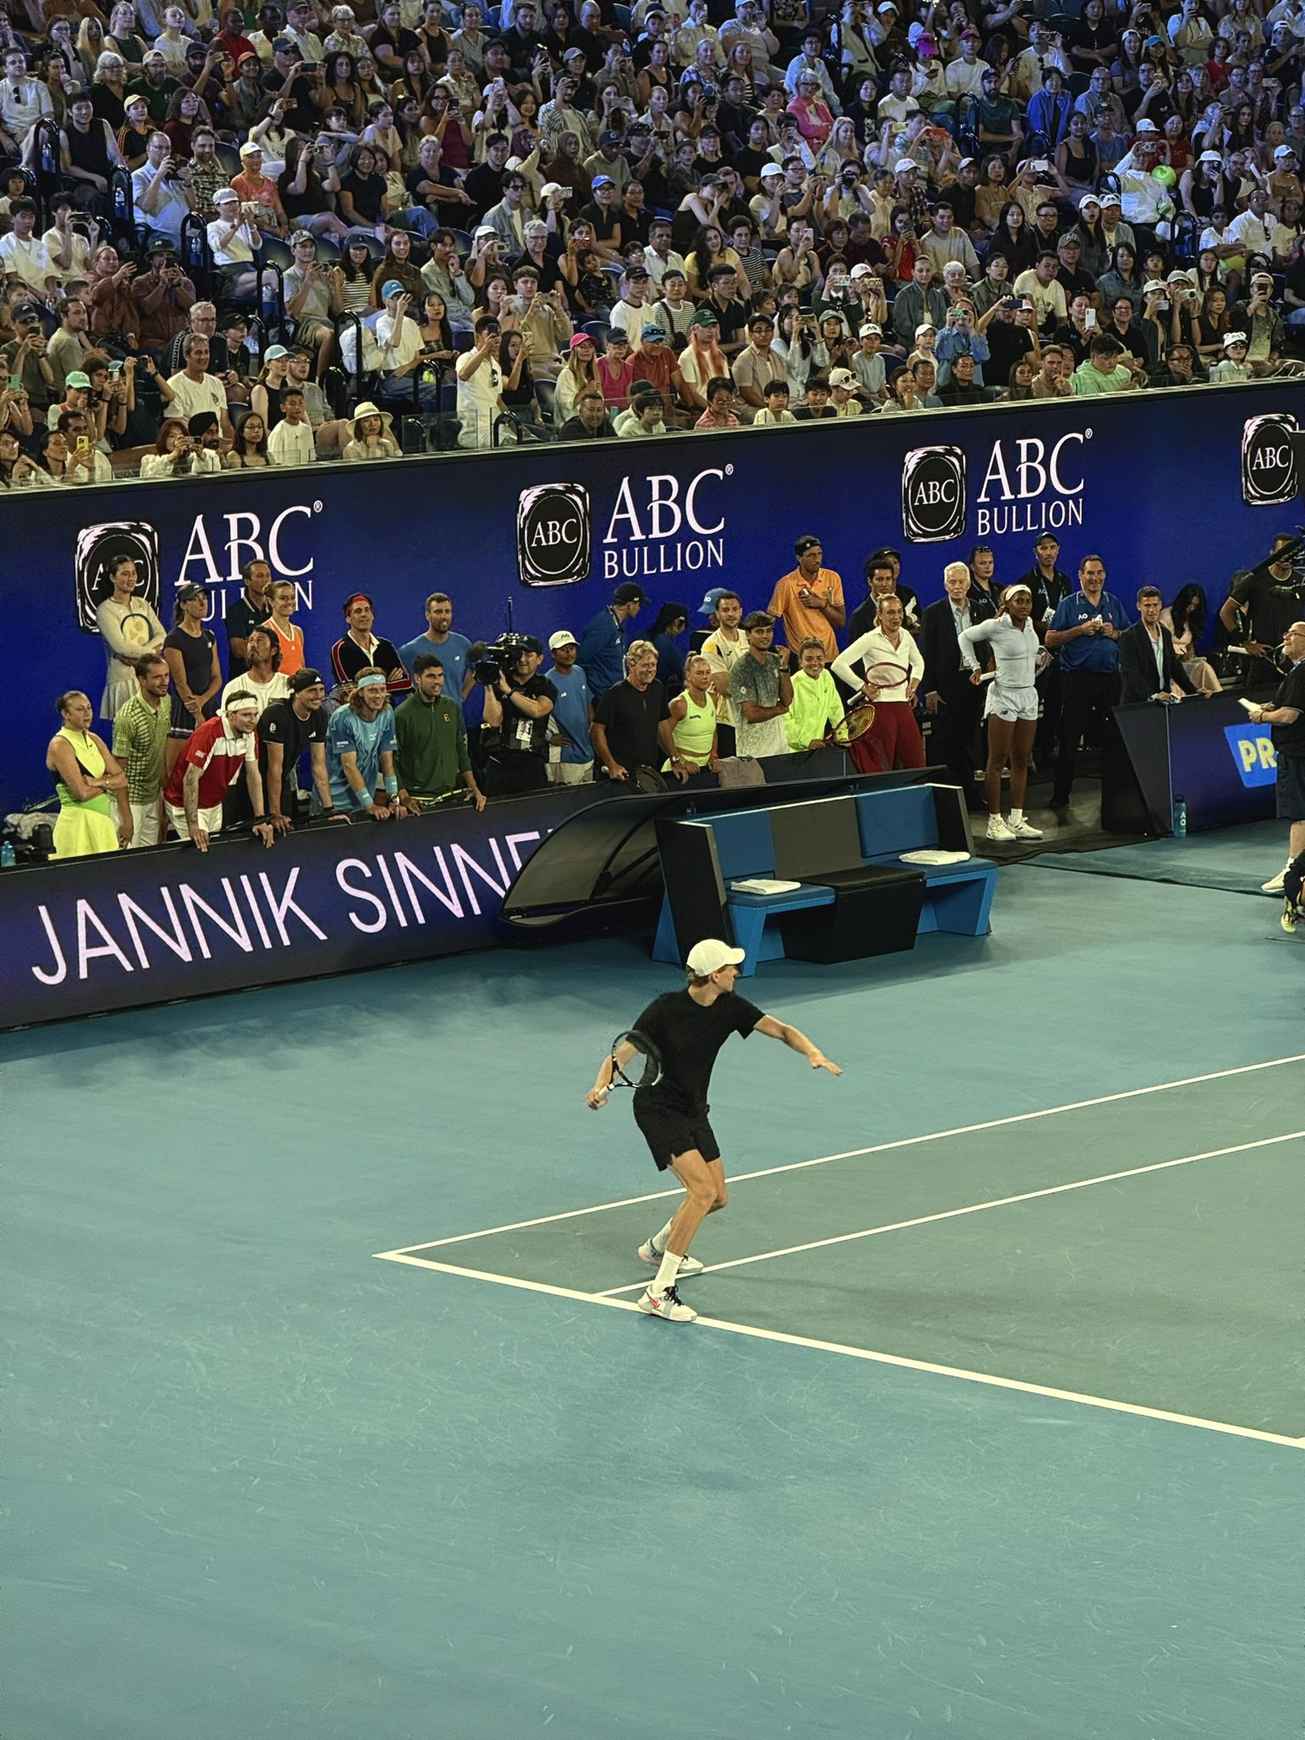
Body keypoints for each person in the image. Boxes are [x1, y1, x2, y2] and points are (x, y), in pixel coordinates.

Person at [584, 936, 842, 1324]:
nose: (737, 972)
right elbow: (621, 1055)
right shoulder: (664, 1009)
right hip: (658, 1110)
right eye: (729, 968)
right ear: (711, 975)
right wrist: (600, 1086)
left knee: (718, 1197)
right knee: (701, 1191)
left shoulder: (730, 1007)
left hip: (693, 1110)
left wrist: (812, 1052)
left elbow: (782, 1029)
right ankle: (659, 1292)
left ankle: (658, 1248)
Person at [958, 584, 1049, 842]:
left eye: (1028, 600)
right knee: (997, 761)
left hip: (1028, 695)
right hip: (1003, 696)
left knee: (1021, 759)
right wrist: (974, 666)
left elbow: (1029, 654)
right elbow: (964, 637)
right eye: (1018, 600)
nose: (1024, 605)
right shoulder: (995, 625)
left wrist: (1040, 657)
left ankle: (1016, 819)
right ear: (1007, 604)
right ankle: (994, 821)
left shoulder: (1031, 624)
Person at [1045, 554, 1129, 822]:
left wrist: (1113, 633)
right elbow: (1050, 639)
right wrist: (1079, 630)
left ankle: (1116, 793)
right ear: (1080, 575)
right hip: (1077, 679)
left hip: (1109, 678)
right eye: (1090, 574)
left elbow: (1126, 634)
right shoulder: (1069, 604)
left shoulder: (1112, 602)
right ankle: (1060, 796)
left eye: (1099, 573)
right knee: (1069, 739)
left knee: (1114, 737)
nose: (1095, 578)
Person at [161, 691, 277, 852]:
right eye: (246, 715)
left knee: (213, 853)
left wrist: (260, 819)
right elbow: (190, 779)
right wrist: (193, 826)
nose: (253, 720)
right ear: (230, 715)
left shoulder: (250, 734)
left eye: (255, 714)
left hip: (214, 804)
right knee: (199, 853)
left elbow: (253, 775)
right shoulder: (209, 732)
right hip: (183, 804)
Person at [832, 594, 926, 774]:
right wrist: (862, 686)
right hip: (880, 708)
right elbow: (838, 664)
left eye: (899, 612)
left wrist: (913, 684)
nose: (896, 617)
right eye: (890, 612)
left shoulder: (906, 635)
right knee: (883, 764)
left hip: (903, 707)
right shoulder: (870, 638)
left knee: (916, 762)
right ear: (880, 615)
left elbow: (918, 662)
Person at [1246, 620, 1305, 894]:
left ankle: (1293, 873)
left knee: (1299, 815)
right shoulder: (1297, 674)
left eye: (1292, 634)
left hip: (1296, 753)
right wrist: (1274, 706)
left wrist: (1262, 716)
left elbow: (1289, 716)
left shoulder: (1301, 673)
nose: (1286, 638)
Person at [921, 561, 989, 795]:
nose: (957, 586)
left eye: (961, 582)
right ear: (944, 584)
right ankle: (948, 797)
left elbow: (987, 647)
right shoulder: (933, 613)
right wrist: (929, 689)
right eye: (952, 582)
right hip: (945, 688)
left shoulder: (981, 610)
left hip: (973, 684)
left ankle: (970, 794)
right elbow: (926, 654)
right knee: (946, 743)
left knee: (971, 741)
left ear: (969, 583)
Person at [394, 654, 485, 811]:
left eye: (440, 676)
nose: (437, 681)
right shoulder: (402, 714)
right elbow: (391, 761)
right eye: (431, 676)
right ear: (417, 678)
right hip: (418, 800)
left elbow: (461, 751)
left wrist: (474, 788)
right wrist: (404, 797)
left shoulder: (451, 707)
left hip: (451, 796)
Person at [47, 689, 132, 858]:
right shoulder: (60, 745)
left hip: (103, 823)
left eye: (89, 708)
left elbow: (122, 779)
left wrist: (97, 782)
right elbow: (82, 793)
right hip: (77, 827)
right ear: (66, 714)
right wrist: (108, 783)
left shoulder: (95, 739)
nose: (87, 714)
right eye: (80, 709)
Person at [478, 635, 556, 796]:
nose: (522, 659)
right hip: (499, 763)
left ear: (540, 659)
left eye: (529, 654)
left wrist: (508, 691)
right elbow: (492, 720)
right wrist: (489, 686)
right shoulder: (501, 680)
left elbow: (538, 710)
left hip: (531, 764)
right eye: (519, 654)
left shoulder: (545, 685)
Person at [95, 552, 167, 721]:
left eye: (133, 573)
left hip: (149, 678)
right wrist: (153, 653)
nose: (131, 578)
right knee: (127, 738)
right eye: (125, 574)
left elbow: (162, 635)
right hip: (123, 680)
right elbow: (121, 647)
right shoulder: (105, 610)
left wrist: (144, 656)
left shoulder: (142, 604)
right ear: (113, 577)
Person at [325, 668, 405, 819]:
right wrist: (370, 805)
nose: (379, 696)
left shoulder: (387, 713)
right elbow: (349, 765)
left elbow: (387, 760)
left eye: (382, 689)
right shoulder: (342, 717)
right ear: (360, 692)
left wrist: (394, 799)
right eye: (372, 690)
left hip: (363, 800)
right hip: (336, 803)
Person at [260, 666, 336, 827]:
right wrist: (275, 814)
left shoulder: (320, 715)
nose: (319, 696)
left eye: (321, 690)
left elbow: (318, 766)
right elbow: (274, 768)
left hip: (283, 779)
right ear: (297, 692)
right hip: (254, 782)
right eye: (312, 691)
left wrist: (330, 810)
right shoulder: (276, 714)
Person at [111, 652, 171, 847]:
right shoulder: (127, 717)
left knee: (149, 863)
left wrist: (162, 797)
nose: (164, 682)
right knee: (125, 864)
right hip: (130, 802)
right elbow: (117, 771)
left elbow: (160, 750)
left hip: (153, 798)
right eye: (157, 677)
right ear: (141, 680)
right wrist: (126, 817)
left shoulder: (167, 702)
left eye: (166, 675)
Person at [162, 583, 222, 770]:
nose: (202, 602)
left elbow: (217, 677)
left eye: (204, 598)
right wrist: (197, 715)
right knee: (178, 770)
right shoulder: (174, 639)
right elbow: (180, 683)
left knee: (210, 768)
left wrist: (203, 701)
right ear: (183, 605)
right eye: (195, 599)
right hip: (184, 711)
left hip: (209, 706)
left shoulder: (209, 636)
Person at [591, 640, 672, 781]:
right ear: (631, 664)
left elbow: (662, 724)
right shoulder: (614, 694)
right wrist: (611, 765)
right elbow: (596, 731)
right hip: (622, 775)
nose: (650, 670)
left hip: (649, 772)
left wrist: (674, 757)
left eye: (653, 665)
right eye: (645, 665)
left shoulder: (658, 688)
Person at [767, 534, 846, 662]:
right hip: (801, 659)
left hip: (829, 656)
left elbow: (841, 622)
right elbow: (770, 619)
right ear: (799, 558)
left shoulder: (833, 578)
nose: (817, 559)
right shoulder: (785, 584)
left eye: (819, 554)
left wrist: (822, 604)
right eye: (811, 555)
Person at [1119, 586, 1200, 704]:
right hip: (1137, 705)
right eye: (1147, 605)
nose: (1151, 610)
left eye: (1155, 605)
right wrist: (1153, 696)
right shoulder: (1129, 637)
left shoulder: (1166, 634)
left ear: (1160, 605)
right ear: (1138, 606)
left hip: (1163, 702)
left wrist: (1195, 692)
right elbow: (1131, 675)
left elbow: (1175, 668)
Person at [730, 611, 793, 759]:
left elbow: (788, 700)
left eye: (769, 631)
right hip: (753, 751)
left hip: (779, 746)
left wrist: (784, 667)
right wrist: (779, 709)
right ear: (748, 635)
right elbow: (751, 714)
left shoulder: (775, 660)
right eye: (759, 632)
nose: (765, 636)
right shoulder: (742, 668)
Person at [330, 592, 410, 697]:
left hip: (387, 710)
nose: (364, 614)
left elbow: (406, 684)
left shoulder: (386, 646)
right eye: (358, 611)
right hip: (355, 712)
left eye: (367, 610)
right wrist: (386, 683)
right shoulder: (340, 649)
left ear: (372, 616)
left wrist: (366, 687)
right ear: (348, 618)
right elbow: (349, 691)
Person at [578, 581, 647, 700]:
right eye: (638, 604)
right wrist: (591, 695)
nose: (639, 608)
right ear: (629, 605)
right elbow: (581, 660)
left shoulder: (618, 624)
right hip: (603, 696)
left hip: (617, 693)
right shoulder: (603, 626)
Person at [398, 592, 474, 700]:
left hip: (455, 715)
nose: (443, 616)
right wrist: (414, 702)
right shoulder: (410, 650)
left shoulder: (463, 644)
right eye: (438, 612)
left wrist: (462, 695)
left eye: (447, 611)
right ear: (427, 615)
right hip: (424, 716)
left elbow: (474, 670)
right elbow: (400, 681)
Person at [699, 587, 746, 757]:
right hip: (728, 721)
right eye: (725, 610)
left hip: (752, 719)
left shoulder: (747, 636)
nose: (731, 614)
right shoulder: (711, 645)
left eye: (734, 610)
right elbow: (725, 686)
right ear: (717, 614)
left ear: (741, 612)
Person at [544, 630, 594, 784]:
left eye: (571, 648)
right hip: (565, 758)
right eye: (563, 649)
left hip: (587, 753)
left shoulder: (580, 672)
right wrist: (549, 737)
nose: (569, 653)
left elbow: (587, 702)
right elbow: (538, 716)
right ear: (553, 654)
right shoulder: (547, 682)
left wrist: (592, 723)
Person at [661, 653, 719, 774]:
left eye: (708, 672)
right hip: (680, 772)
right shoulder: (679, 704)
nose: (705, 677)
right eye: (699, 673)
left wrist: (713, 755)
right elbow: (662, 734)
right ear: (688, 675)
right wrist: (679, 761)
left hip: (704, 770)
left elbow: (712, 731)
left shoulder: (713, 698)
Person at [783, 637, 844, 751]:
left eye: (819, 658)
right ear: (800, 662)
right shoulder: (791, 684)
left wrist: (842, 735)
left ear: (825, 660)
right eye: (809, 659)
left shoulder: (826, 676)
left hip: (816, 749)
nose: (815, 663)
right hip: (791, 751)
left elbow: (836, 709)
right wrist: (807, 741)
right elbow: (785, 721)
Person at [226, 558, 274, 678]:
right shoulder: (236, 611)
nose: (266, 580)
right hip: (244, 680)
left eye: (268, 576)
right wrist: (270, 646)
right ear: (247, 581)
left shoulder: (274, 609)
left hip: (270, 678)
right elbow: (238, 650)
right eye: (260, 576)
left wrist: (252, 642)